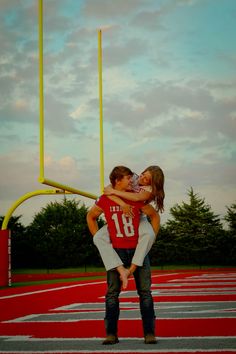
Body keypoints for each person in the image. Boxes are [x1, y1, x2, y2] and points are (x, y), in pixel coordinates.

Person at [87, 166, 160, 345]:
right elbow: (90, 217)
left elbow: (154, 216)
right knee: (112, 293)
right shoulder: (105, 199)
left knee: (145, 293)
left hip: (137, 250)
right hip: (117, 250)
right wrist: (102, 242)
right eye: (128, 178)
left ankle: (149, 333)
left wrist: (150, 242)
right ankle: (111, 334)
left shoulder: (136, 198)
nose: (133, 181)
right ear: (117, 181)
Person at [93, 165, 164, 289]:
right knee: (98, 237)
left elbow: (136, 198)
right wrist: (122, 203)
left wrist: (152, 239)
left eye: (146, 178)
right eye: (143, 174)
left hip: (139, 215)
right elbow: (108, 189)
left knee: (149, 235)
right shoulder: (135, 178)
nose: (142, 178)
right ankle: (120, 269)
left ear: (152, 183)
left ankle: (130, 270)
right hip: (123, 213)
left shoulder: (149, 190)